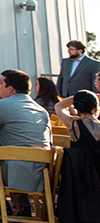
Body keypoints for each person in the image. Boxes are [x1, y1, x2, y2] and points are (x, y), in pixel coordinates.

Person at [0, 69, 51, 217]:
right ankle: (23, 206)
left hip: (9, 171)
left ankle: (0, 204)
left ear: (10, 89)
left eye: (1, 83)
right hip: (40, 172)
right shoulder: (42, 111)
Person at [53, 90, 100, 222]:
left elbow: (59, 106)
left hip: (79, 176)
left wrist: (76, 98)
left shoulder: (73, 124)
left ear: (77, 107)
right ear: (96, 108)